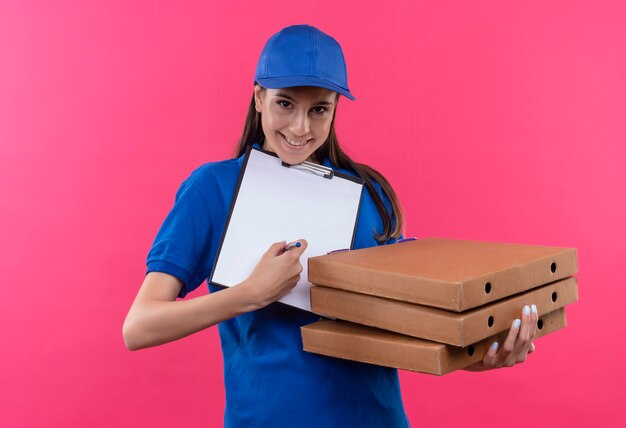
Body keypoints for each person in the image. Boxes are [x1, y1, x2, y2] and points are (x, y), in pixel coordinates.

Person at [123, 24, 537, 427]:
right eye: (285, 104)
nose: (301, 128)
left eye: (319, 109)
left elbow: (402, 327)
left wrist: (476, 355)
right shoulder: (213, 189)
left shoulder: (368, 193)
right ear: (258, 98)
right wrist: (249, 294)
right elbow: (139, 326)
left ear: (335, 108)